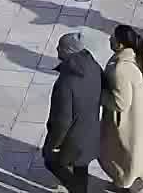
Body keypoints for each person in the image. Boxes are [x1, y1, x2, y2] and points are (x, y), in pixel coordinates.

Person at [43, 31, 102, 193]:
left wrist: (54, 145)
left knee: (51, 161)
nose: (57, 49)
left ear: (69, 52)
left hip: (73, 139)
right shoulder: (93, 66)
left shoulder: (66, 83)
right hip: (91, 133)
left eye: (60, 47)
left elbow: (62, 121)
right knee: (81, 166)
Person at [100, 25, 143, 191]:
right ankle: (133, 179)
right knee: (135, 150)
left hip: (126, 120)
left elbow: (120, 102)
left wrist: (100, 94)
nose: (109, 39)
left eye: (113, 38)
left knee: (120, 153)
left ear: (121, 45)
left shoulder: (121, 69)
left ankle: (125, 182)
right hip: (139, 113)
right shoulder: (139, 55)